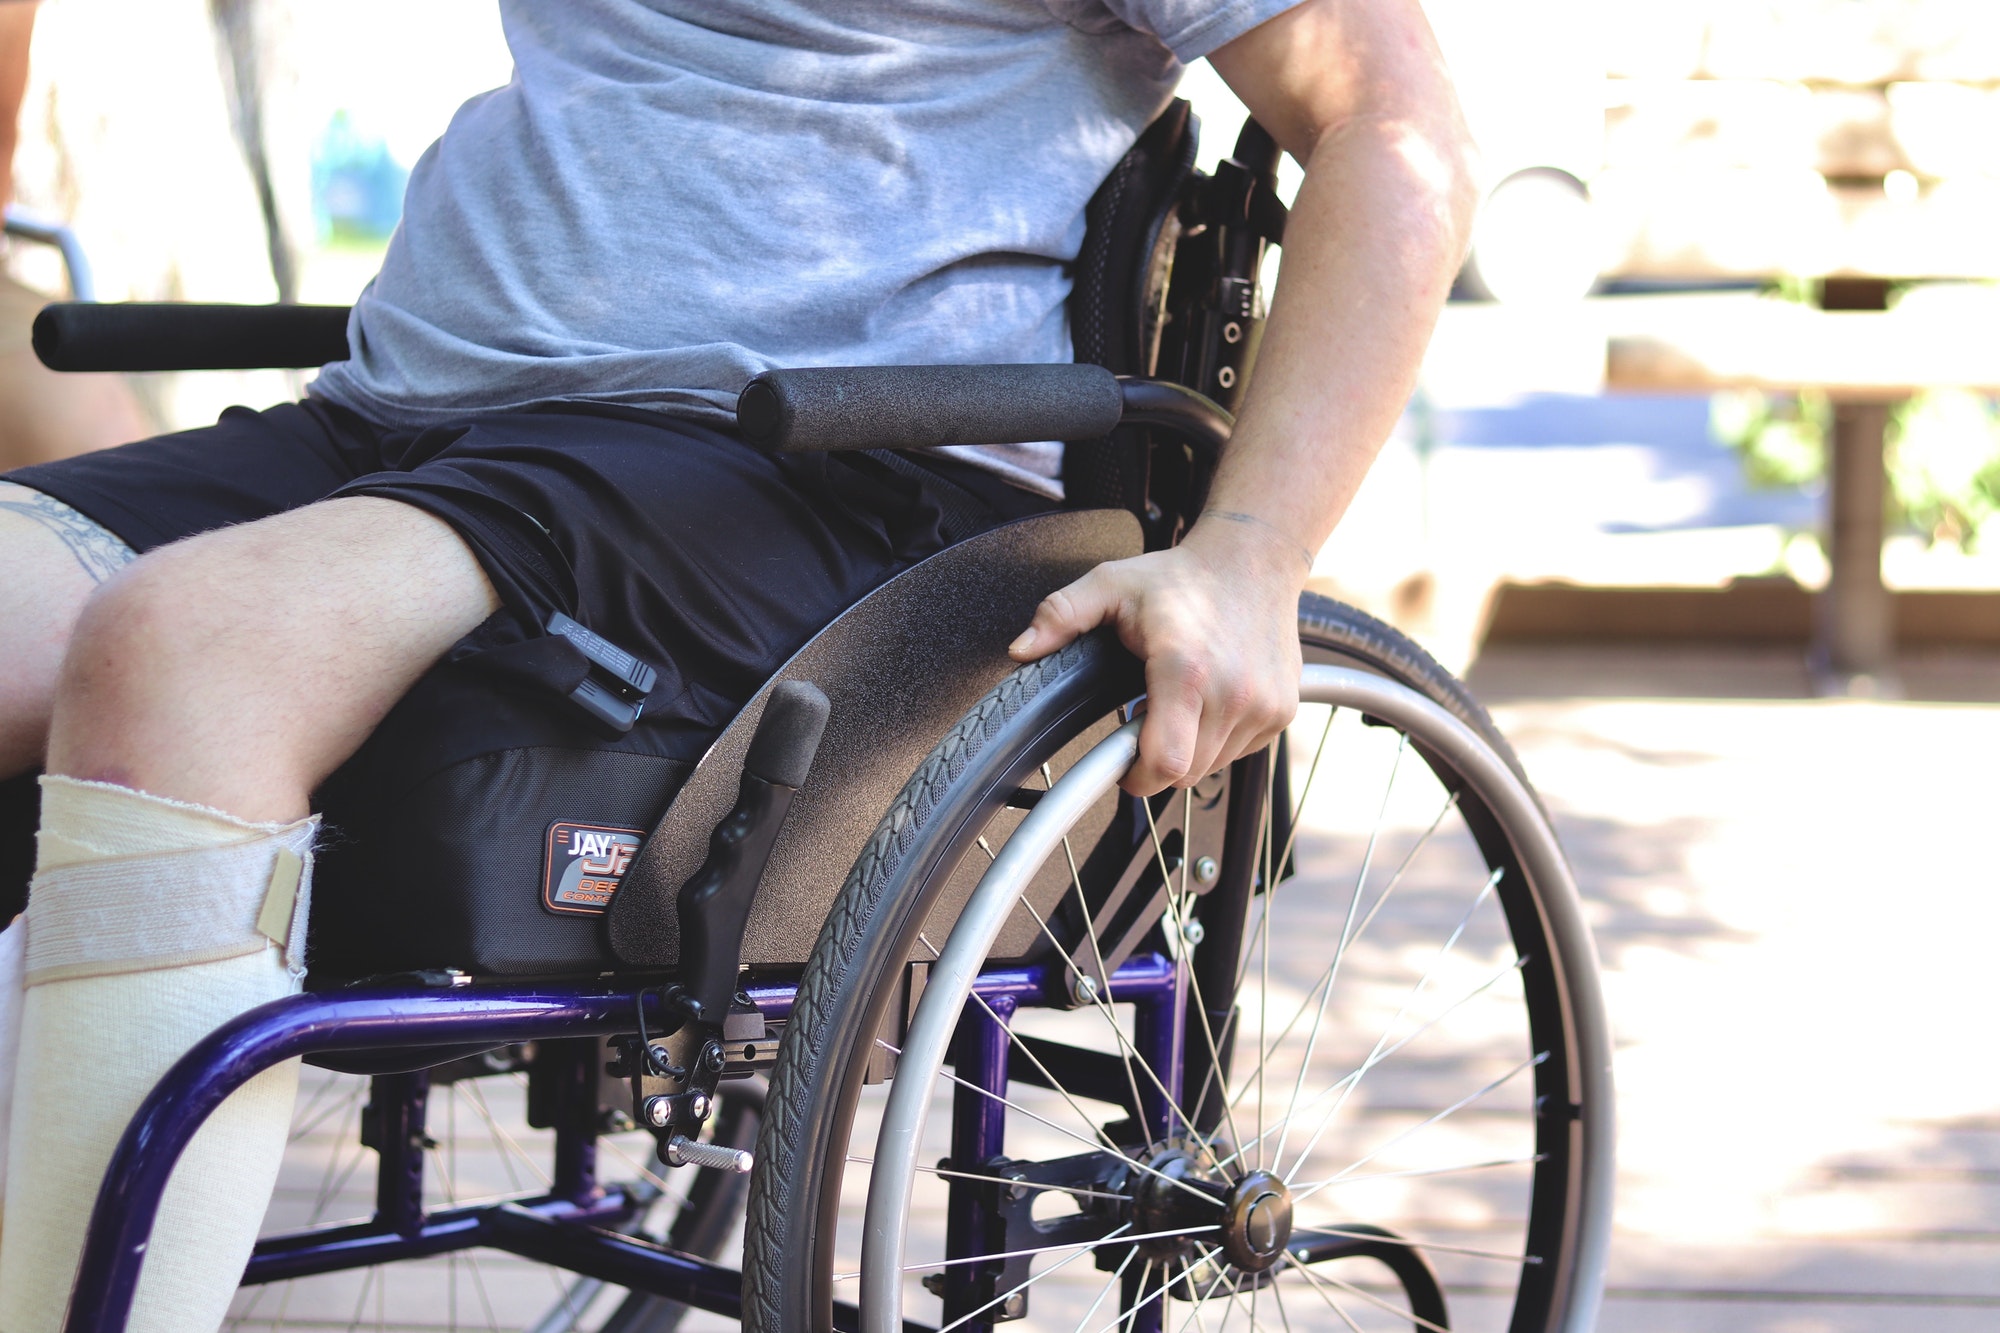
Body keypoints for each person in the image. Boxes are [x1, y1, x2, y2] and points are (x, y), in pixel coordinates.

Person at [0, 0, 1476, 1327]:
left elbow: (1394, 131)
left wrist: (1253, 551)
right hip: (399, 419)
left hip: (788, 467)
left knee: (187, 651)